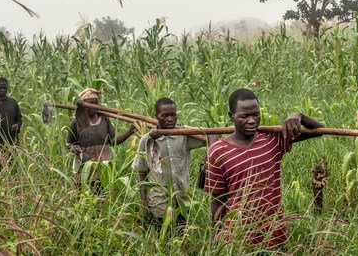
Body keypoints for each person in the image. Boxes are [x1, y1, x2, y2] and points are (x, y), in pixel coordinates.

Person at [204, 88, 324, 248]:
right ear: (231, 116)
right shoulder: (218, 151)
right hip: (238, 239)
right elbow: (217, 200)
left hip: (275, 235)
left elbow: (319, 130)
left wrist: (298, 116)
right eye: (245, 116)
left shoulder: (272, 141)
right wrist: (216, 238)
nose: (252, 121)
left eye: (256, 114)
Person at [133, 98, 218, 225]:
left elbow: (213, 135)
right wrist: (144, 204)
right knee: (161, 238)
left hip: (183, 201)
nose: (170, 119)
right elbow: (141, 171)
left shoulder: (184, 134)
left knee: (181, 235)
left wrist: (209, 157)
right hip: (158, 203)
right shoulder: (146, 140)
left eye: (173, 115)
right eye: (165, 115)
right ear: (156, 116)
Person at [66, 88, 141, 188]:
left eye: (96, 103)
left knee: (102, 195)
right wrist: (75, 149)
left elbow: (113, 141)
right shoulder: (77, 121)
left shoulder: (104, 119)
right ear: (83, 105)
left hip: (103, 167)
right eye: (90, 103)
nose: (93, 106)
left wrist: (130, 131)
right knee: (82, 195)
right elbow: (69, 143)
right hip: (84, 168)